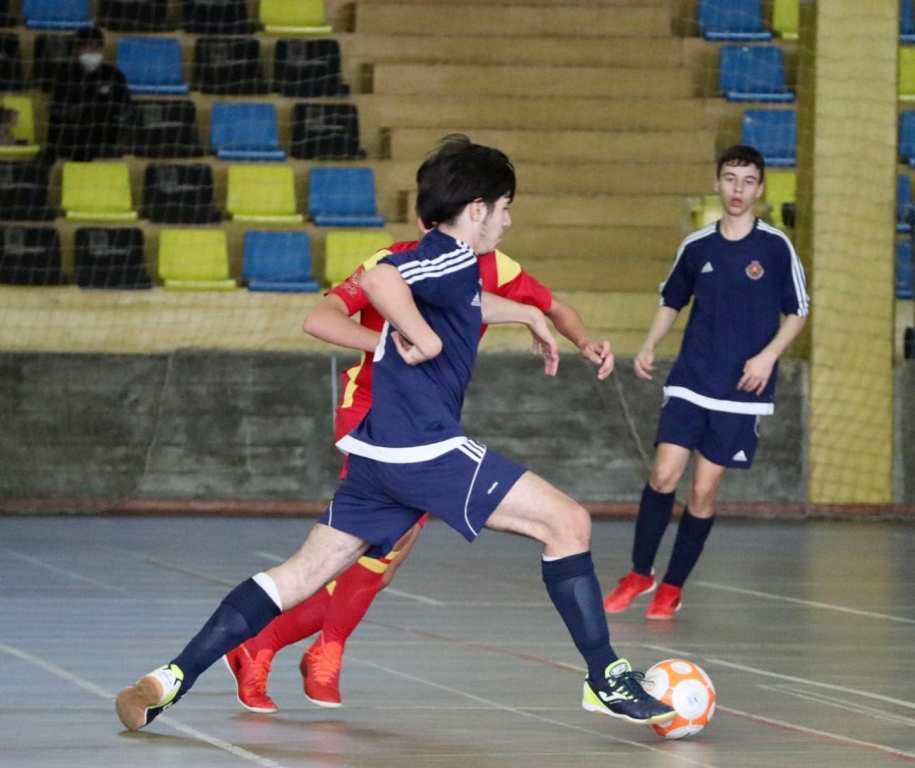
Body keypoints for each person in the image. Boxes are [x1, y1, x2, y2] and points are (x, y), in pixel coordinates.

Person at [115, 134, 674, 732]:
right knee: (568, 523)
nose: (509, 222)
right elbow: (385, 280)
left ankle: (171, 678)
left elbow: (463, 302)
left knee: (299, 575)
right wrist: (417, 338)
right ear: (477, 210)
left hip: (377, 456)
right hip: (423, 449)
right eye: (505, 208)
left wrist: (529, 314)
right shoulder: (446, 256)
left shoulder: (455, 265)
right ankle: (606, 677)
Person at [223, 227, 614, 713]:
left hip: (428, 421)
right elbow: (319, 318)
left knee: (379, 564)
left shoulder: (495, 266)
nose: (504, 221)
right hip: (373, 409)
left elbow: (554, 307)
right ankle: (315, 648)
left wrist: (584, 341)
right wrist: (390, 344)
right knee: (378, 546)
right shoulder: (394, 261)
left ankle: (264, 644)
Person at [603, 144, 809, 620]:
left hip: (741, 391)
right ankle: (639, 573)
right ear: (717, 183)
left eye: (748, 181)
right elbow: (672, 300)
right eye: (730, 179)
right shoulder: (697, 246)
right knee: (663, 475)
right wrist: (650, 344)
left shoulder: (776, 247)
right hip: (691, 378)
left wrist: (768, 357)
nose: (738, 189)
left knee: (701, 492)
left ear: (760, 189)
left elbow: (798, 311)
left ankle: (672, 586)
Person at [47, 26, 132, 161]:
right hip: (72, 141)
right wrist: (74, 112)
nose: (91, 51)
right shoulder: (65, 75)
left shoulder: (114, 75)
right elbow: (55, 111)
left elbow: (127, 109)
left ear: (102, 50)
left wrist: (106, 111)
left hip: (105, 139)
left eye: (96, 47)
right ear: (77, 50)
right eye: (86, 47)